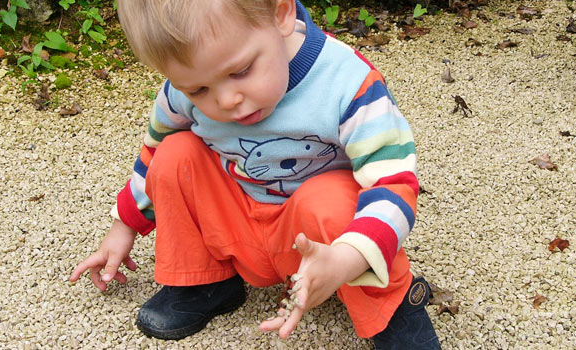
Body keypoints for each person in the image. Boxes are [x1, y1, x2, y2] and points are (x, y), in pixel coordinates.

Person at [69, 0, 440, 348]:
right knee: (174, 154)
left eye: (240, 71)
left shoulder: (346, 82)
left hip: (319, 240)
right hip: (238, 218)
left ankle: (390, 308)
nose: (227, 99)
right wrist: (125, 226)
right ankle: (204, 281)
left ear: (280, 14)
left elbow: (394, 183)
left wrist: (348, 257)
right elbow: (153, 150)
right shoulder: (183, 90)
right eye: (199, 89)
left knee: (331, 200)